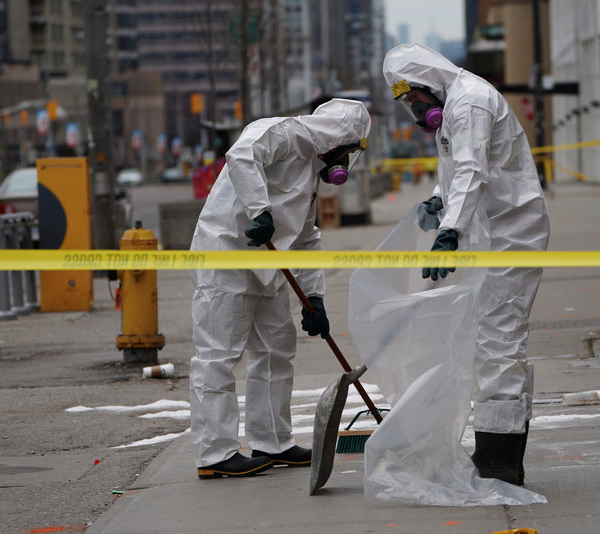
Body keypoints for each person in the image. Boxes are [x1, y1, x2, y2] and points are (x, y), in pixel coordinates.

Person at [382, 43, 551, 486]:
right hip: (488, 234)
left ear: (428, 83)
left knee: (500, 341)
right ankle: (498, 446)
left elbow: (474, 169)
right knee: (487, 340)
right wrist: (441, 202)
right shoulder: (453, 103)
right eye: (408, 105)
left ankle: (500, 460)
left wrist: (449, 229)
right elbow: (457, 171)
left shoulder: (470, 100)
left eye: (415, 100)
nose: (415, 111)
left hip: (509, 235)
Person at [189, 98, 371, 478]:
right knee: (218, 355)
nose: (346, 163)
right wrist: (260, 210)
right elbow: (241, 155)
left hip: (268, 268)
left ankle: (272, 441)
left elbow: (306, 238)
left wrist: (315, 298)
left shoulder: (310, 172)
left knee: (276, 350)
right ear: (339, 140)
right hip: (227, 255)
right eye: (350, 152)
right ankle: (215, 453)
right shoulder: (283, 134)